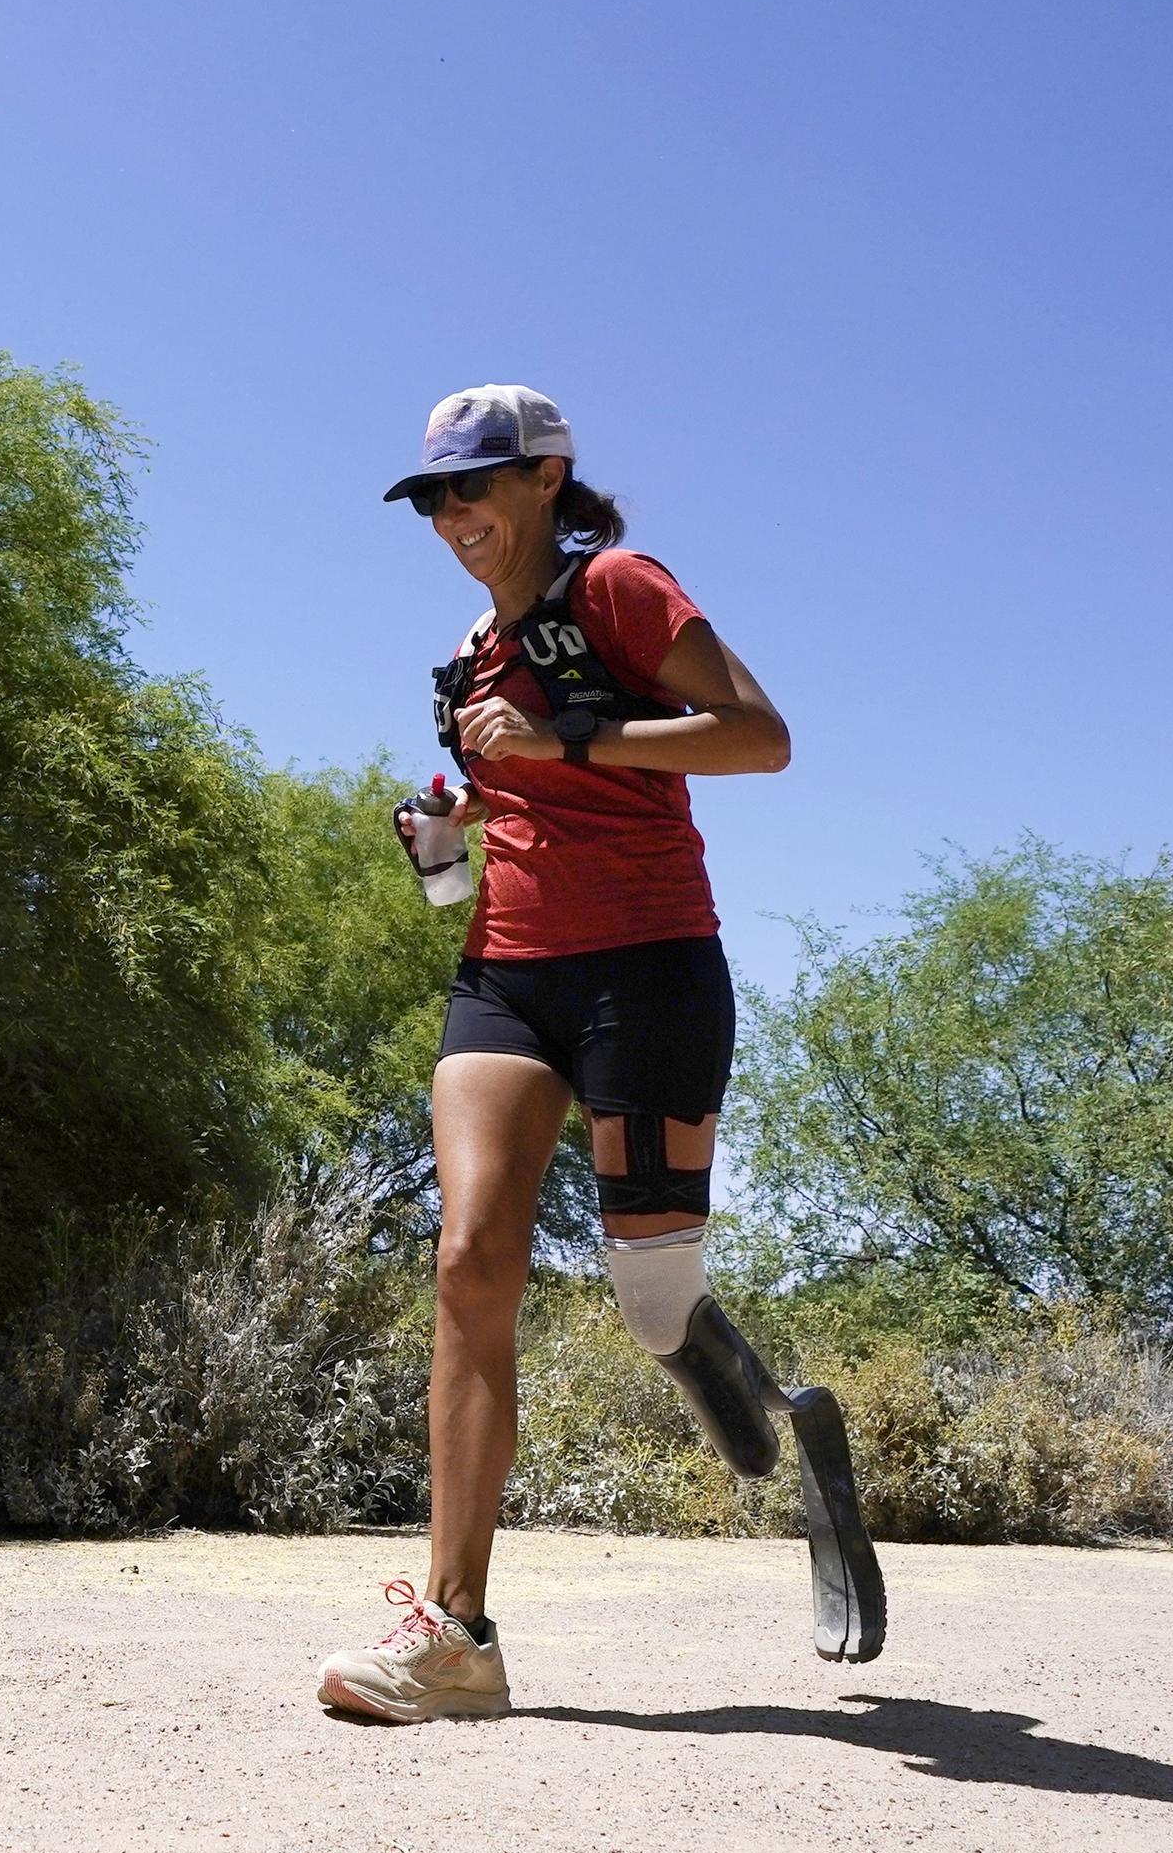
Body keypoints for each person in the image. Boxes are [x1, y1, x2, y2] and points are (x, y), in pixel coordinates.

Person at [315, 385, 885, 1724]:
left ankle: (786, 1425)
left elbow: (762, 739)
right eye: (435, 498)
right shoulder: (464, 660)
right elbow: (462, 886)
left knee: (650, 1305)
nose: (455, 517)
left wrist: (573, 734)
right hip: (507, 978)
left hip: (650, 972)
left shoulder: (618, 588)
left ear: (547, 478)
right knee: (470, 1260)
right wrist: (441, 855)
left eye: (477, 488)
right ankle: (456, 1635)